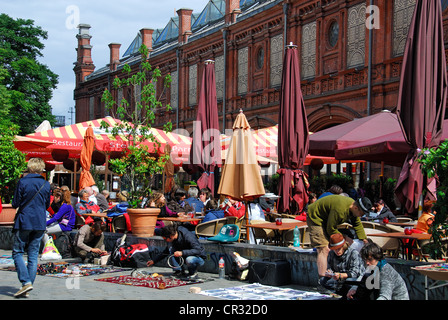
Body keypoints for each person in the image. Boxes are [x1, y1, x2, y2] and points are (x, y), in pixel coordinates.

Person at [11, 157, 51, 297]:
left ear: (29, 167)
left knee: (17, 252)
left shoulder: (22, 182)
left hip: (24, 221)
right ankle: (28, 286)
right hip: (39, 222)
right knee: (34, 254)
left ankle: (26, 282)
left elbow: (15, 203)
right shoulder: (46, 184)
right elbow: (47, 205)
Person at [306, 195, 372, 280]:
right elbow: (331, 229)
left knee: (334, 246)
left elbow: (357, 224)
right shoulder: (340, 210)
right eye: (361, 214)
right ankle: (322, 279)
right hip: (316, 217)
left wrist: (364, 239)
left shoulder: (352, 208)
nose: (360, 216)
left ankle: (330, 276)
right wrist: (344, 238)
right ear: (356, 208)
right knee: (324, 249)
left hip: (326, 219)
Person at [319, 233, 365, 298]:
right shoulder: (331, 253)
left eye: (339, 248)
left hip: (354, 279)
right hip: (338, 278)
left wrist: (341, 275)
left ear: (343, 246)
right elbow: (330, 267)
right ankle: (341, 293)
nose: (337, 251)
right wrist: (329, 273)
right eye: (335, 249)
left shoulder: (353, 253)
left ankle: (351, 294)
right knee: (323, 280)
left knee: (349, 281)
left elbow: (355, 273)